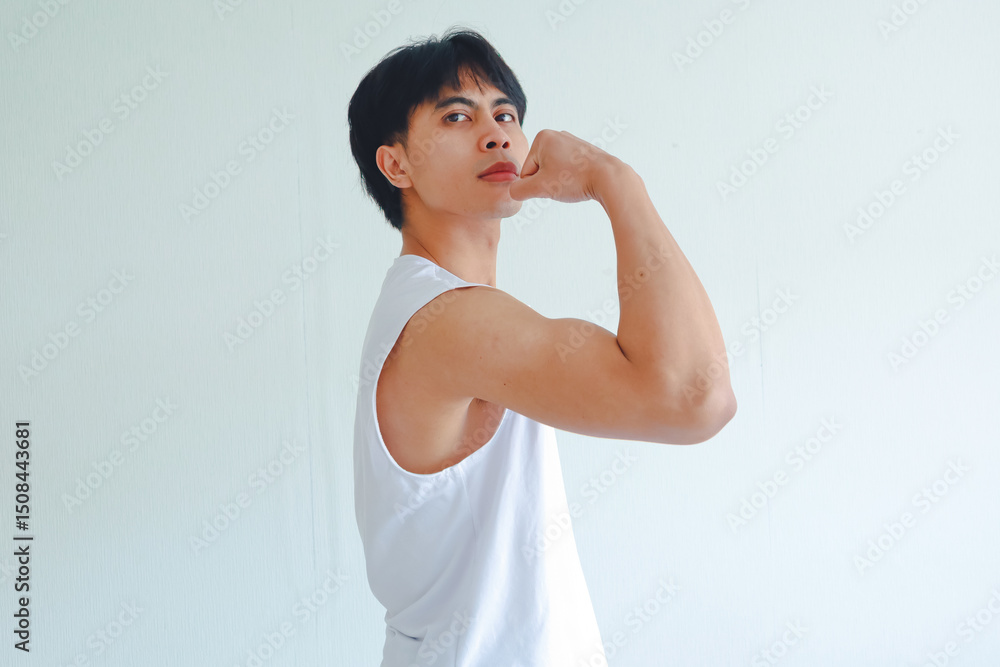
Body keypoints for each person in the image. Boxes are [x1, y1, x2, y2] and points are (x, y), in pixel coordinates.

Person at [348, 26, 737, 666]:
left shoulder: (436, 308)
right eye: (456, 116)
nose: (496, 133)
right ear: (396, 165)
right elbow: (696, 397)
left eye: (505, 114)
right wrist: (616, 182)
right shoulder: (450, 320)